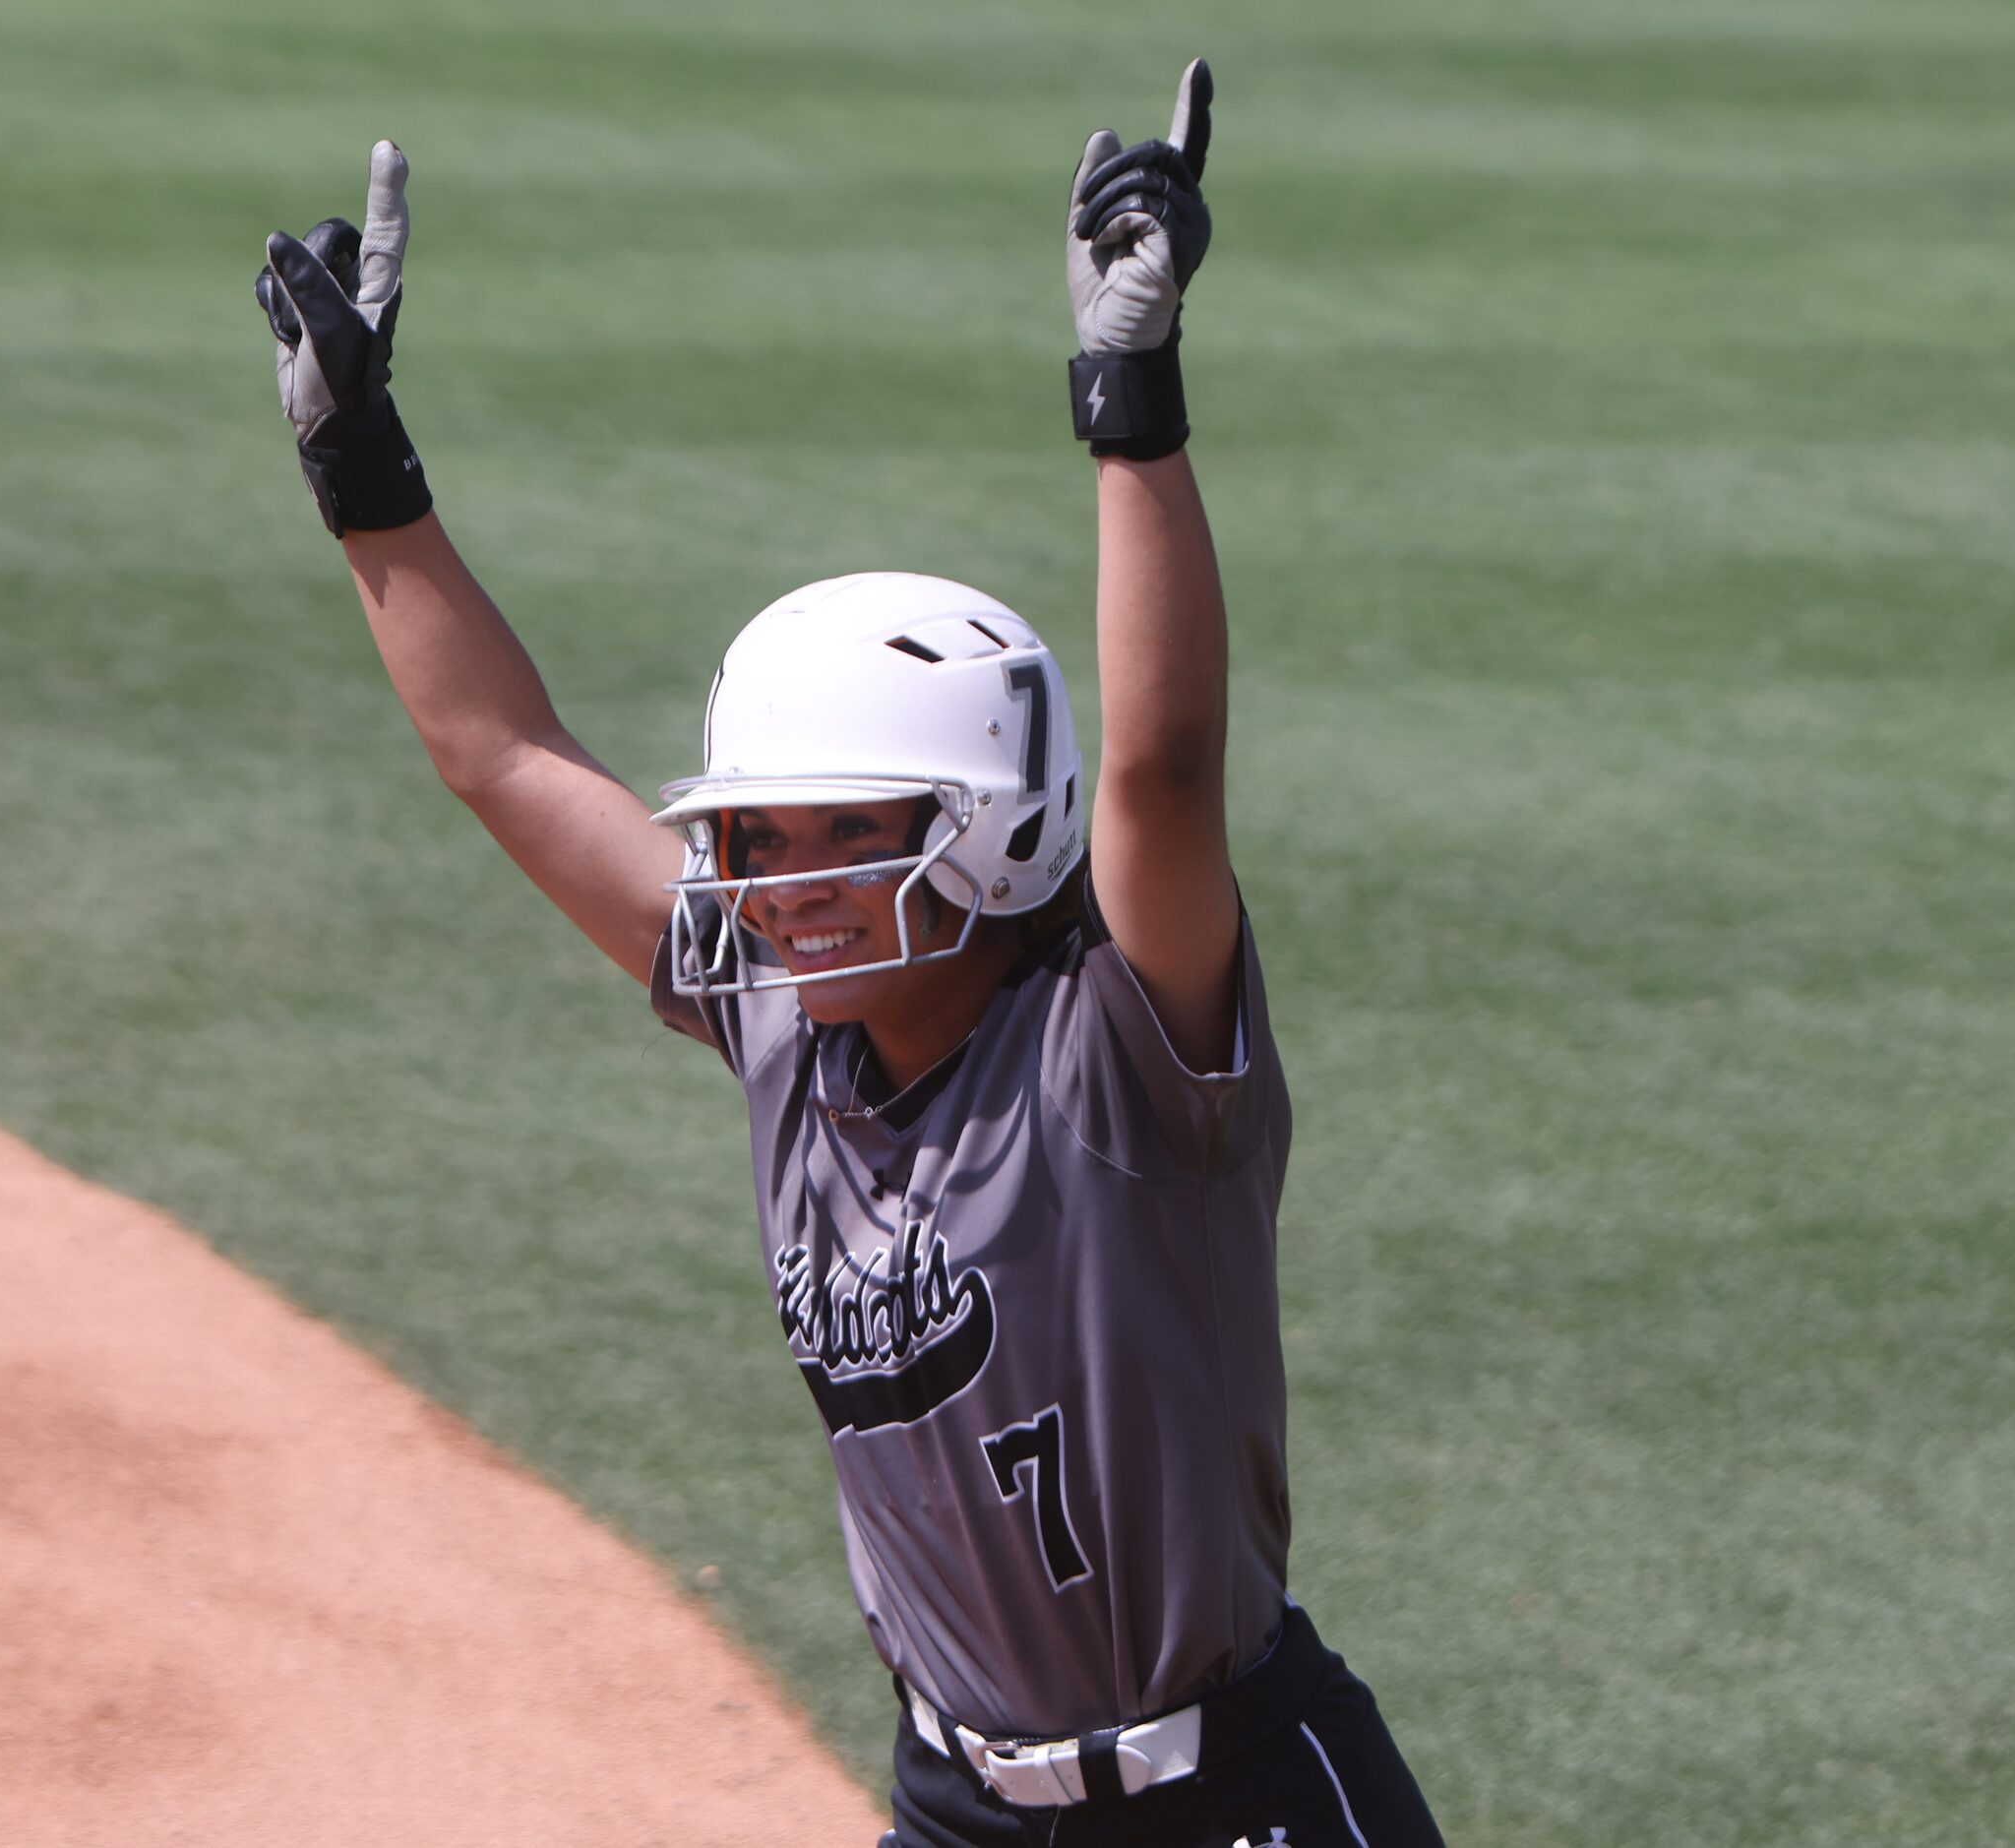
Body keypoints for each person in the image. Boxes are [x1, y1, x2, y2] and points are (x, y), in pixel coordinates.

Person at [255, 60, 1447, 1848]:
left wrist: (1130, 401)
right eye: (751, 835)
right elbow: (505, 756)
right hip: (954, 1801)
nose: (778, 882)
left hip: (1230, 1800)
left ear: (991, 830)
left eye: (837, 835)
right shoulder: (785, 1029)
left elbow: (1163, 764)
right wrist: (362, 475)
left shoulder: (1119, 1048)